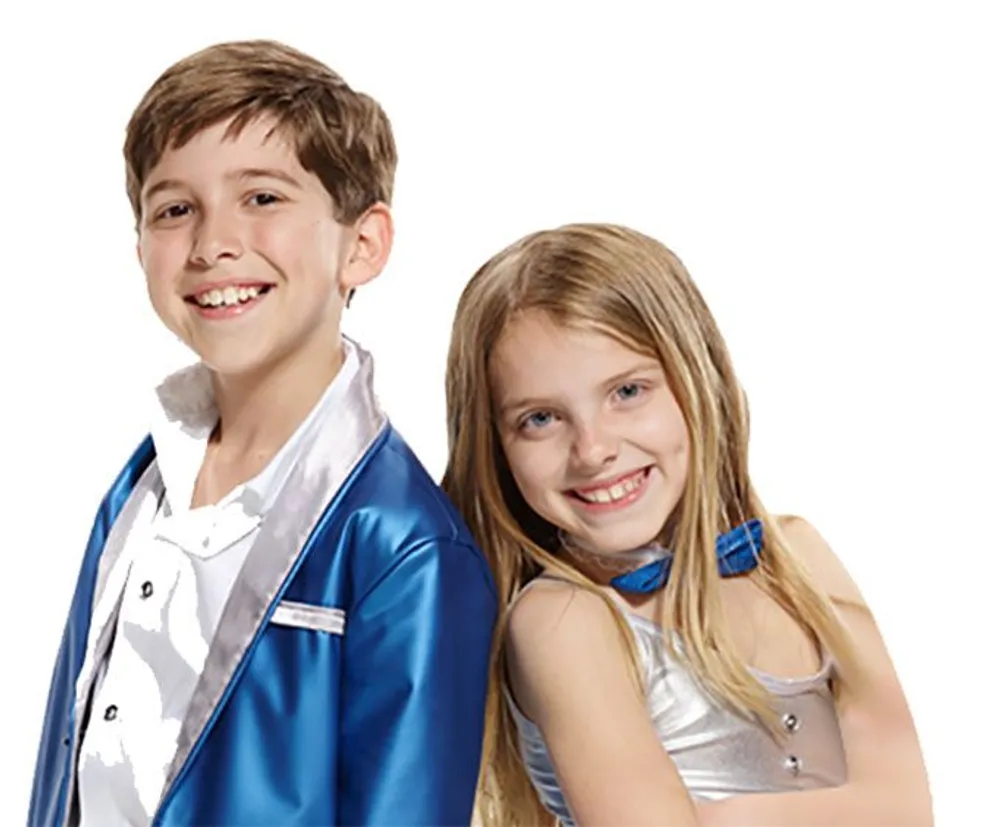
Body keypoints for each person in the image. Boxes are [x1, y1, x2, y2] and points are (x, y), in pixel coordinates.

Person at [29, 39, 496, 827]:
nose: (212, 245)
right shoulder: (138, 491)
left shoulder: (403, 548)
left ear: (364, 244)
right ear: (139, 245)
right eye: (175, 209)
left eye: (263, 198)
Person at [442, 222, 932, 826]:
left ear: (698, 379)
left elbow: (908, 808)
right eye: (541, 418)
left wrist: (710, 816)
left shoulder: (798, 558)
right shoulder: (562, 619)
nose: (592, 450)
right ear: (495, 448)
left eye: (627, 391)